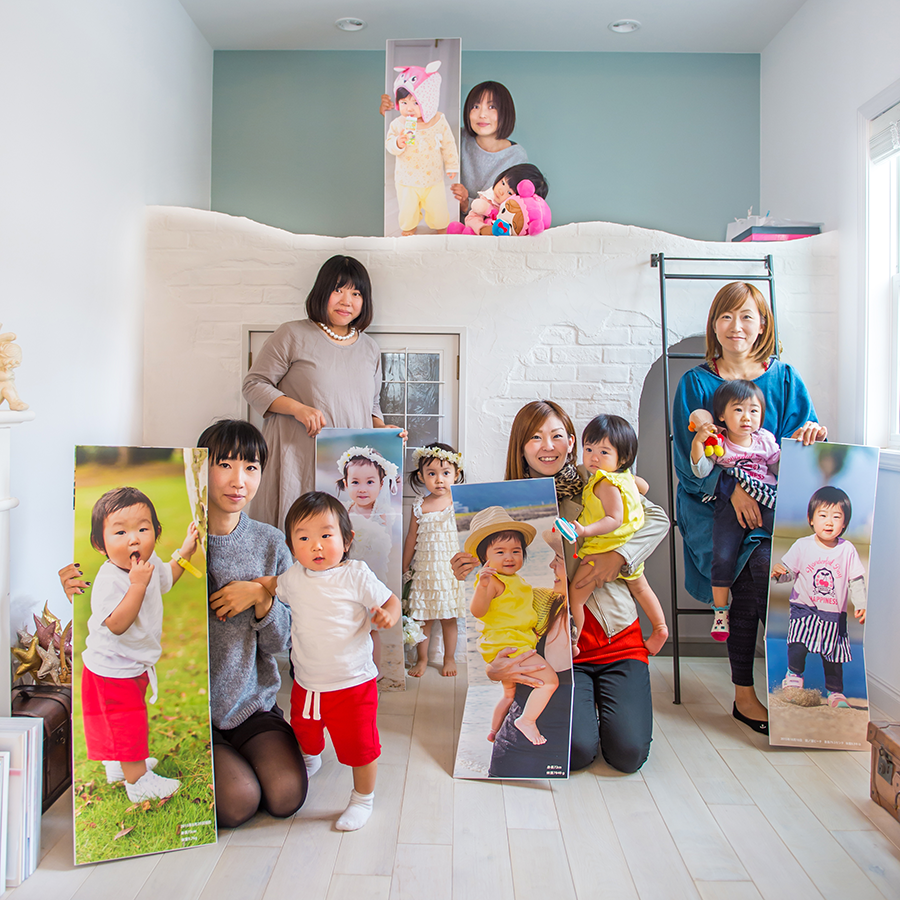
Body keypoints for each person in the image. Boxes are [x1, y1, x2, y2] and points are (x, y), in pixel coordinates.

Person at [61, 420, 309, 828]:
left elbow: (280, 643)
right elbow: (111, 599)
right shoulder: (146, 551)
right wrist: (74, 586)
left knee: (286, 796)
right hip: (199, 718)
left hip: (251, 706)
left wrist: (260, 598)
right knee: (238, 803)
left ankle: (245, 755)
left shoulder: (270, 543)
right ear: (200, 470)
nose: (238, 480)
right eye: (224, 464)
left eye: (251, 467)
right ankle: (207, 761)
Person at [453, 399, 669, 773]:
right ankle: (586, 706)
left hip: (616, 633)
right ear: (521, 447)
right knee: (578, 751)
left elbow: (657, 518)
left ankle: (610, 703)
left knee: (628, 754)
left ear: (571, 442)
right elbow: (499, 593)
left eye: (556, 436)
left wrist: (620, 556)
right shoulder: (509, 504)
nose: (547, 446)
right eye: (535, 438)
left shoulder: (600, 478)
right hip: (563, 650)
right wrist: (465, 569)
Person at [673, 281, 826, 734]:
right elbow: (688, 460)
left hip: (774, 506)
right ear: (713, 325)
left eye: (746, 316)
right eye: (726, 316)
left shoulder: (785, 378)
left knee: (776, 571)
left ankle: (797, 692)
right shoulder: (696, 383)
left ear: (763, 325)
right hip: (714, 506)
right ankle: (746, 695)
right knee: (754, 569)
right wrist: (733, 487)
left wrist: (812, 435)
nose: (735, 326)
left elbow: (797, 450)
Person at [242, 255, 399, 530]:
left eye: (356, 293)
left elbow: (372, 406)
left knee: (340, 538)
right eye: (338, 290)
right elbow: (254, 384)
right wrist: (298, 409)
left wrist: (384, 431)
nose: (346, 301)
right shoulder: (292, 334)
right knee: (296, 533)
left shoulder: (369, 348)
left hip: (347, 469)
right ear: (322, 291)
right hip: (297, 459)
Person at [274, 492, 401, 831]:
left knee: (360, 746)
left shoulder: (356, 575)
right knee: (304, 731)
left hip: (352, 684)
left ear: (346, 540)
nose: (315, 546)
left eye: (326, 535)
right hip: (307, 683)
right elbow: (272, 586)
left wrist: (388, 615)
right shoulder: (293, 577)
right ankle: (310, 758)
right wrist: (253, 588)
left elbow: (392, 601)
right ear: (291, 546)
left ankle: (362, 799)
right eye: (303, 538)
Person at [80, 487, 199, 802]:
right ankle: (138, 783)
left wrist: (185, 553)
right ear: (100, 544)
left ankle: (119, 766)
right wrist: (137, 585)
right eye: (120, 532)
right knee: (127, 723)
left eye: (143, 529)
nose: (134, 539)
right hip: (111, 669)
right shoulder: (110, 580)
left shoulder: (148, 564)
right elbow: (117, 624)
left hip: (131, 663)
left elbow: (166, 579)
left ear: (156, 532)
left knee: (124, 722)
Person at [567, 414, 668, 655]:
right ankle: (660, 627)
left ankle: (573, 642)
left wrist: (584, 530)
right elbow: (644, 487)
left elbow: (614, 519)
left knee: (576, 597)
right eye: (589, 449)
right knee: (641, 589)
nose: (593, 457)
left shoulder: (604, 483)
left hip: (602, 547)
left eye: (604, 452)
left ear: (622, 458)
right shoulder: (625, 478)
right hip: (628, 547)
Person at [690, 380, 780, 642]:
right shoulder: (720, 443)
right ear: (722, 415)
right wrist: (698, 442)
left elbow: (778, 469)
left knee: (784, 533)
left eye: (754, 411)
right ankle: (720, 612)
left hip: (766, 498)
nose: (746, 417)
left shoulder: (765, 440)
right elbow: (701, 471)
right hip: (729, 506)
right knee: (723, 555)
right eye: (738, 410)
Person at [467, 507, 560, 747]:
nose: (509, 557)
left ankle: (493, 731)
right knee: (550, 682)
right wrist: (482, 585)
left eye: (516, 551)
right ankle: (527, 720)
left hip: (508, 643)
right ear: (484, 557)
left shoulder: (515, 580)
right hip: (510, 644)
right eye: (500, 552)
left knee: (509, 695)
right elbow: (478, 611)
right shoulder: (491, 581)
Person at [772, 486, 866, 708]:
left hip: (834, 615)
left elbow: (856, 580)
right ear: (811, 519)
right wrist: (779, 574)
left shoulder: (847, 550)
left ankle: (835, 693)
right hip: (804, 609)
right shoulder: (802, 545)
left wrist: (860, 604)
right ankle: (793, 677)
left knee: (833, 656)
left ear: (845, 522)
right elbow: (789, 572)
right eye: (823, 515)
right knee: (798, 643)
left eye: (836, 517)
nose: (829, 522)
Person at [382, 81, 527, 216]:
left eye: (491, 107)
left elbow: (510, 211)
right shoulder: (456, 138)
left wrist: (466, 204)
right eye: (475, 107)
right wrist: (392, 112)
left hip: (491, 230)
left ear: (506, 112)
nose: (482, 115)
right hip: (446, 227)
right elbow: (418, 139)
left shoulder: (516, 157)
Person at [402, 442, 465, 677]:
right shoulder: (420, 505)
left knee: (449, 619)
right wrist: (405, 565)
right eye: (431, 474)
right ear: (421, 476)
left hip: (450, 571)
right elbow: (411, 537)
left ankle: (449, 658)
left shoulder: (458, 503)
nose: (439, 480)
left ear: (456, 474)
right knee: (423, 619)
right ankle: (422, 659)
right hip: (425, 571)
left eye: (446, 473)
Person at [385, 62, 459, 235]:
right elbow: (389, 143)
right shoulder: (398, 124)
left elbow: (448, 143)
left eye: (416, 103)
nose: (409, 108)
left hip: (433, 177)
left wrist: (451, 165)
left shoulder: (438, 121)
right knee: (407, 209)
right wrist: (398, 143)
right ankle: (409, 227)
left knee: (438, 208)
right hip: (406, 178)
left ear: (428, 101)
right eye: (404, 103)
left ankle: (441, 227)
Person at [335, 445, 398, 584]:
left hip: (372, 571)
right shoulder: (344, 510)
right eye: (355, 482)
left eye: (370, 482)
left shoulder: (381, 513)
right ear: (346, 484)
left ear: (381, 484)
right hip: (346, 569)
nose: (362, 489)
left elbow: (387, 546)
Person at [451, 163, 549, 236]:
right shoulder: (489, 199)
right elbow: (471, 219)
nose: (501, 191)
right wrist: (484, 229)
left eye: (509, 193)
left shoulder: (518, 214)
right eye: (503, 183)